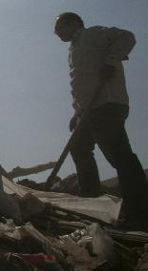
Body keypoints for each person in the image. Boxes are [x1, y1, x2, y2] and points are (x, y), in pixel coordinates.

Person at [54, 12, 148, 229]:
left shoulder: (94, 34)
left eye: (60, 28)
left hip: (107, 103)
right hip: (89, 111)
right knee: (79, 148)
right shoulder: (74, 49)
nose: (57, 33)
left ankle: (139, 210)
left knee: (118, 153)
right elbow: (82, 83)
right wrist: (77, 112)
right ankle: (91, 200)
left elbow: (127, 37)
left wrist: (112, 61)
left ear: (73, 23)